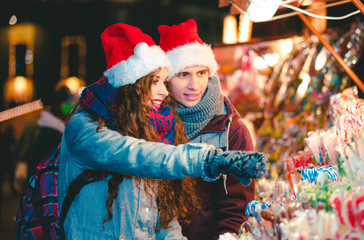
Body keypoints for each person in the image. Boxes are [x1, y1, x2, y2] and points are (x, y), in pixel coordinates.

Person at [58, 23, 267, 239]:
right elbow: (137, 155)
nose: (163, 90)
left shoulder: (156, 124)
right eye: (156, 81)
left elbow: (160, 217)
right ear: (132, 84)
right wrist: (207, 159)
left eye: (201, 73)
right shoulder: (85, 127)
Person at [158, 18, 256, 239]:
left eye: (201, 73)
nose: (195, 86)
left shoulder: (232, 130)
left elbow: (236, 207)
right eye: (183, 74)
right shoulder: (149, 123)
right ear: (165, 80)